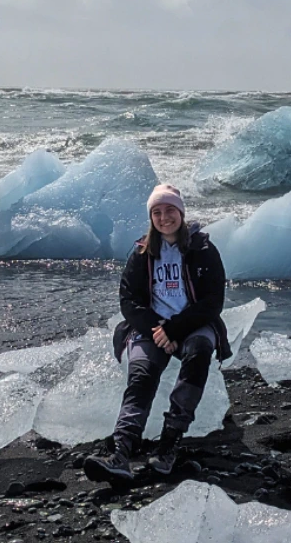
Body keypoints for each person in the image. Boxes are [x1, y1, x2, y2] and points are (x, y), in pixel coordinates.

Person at [84, 183, 230, 482]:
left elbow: (213, 300)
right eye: (157, 212)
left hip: (192, 325)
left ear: (181, 212)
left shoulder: (203, 249)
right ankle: (121, 453)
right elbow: (128, 301)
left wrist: (175, 328)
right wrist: (157, 328)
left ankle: (168, 446)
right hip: (152, 327)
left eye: (170, 210)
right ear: (151, 217)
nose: (164, 217)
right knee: (142, 375)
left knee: (199, 354)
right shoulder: (142, 252)